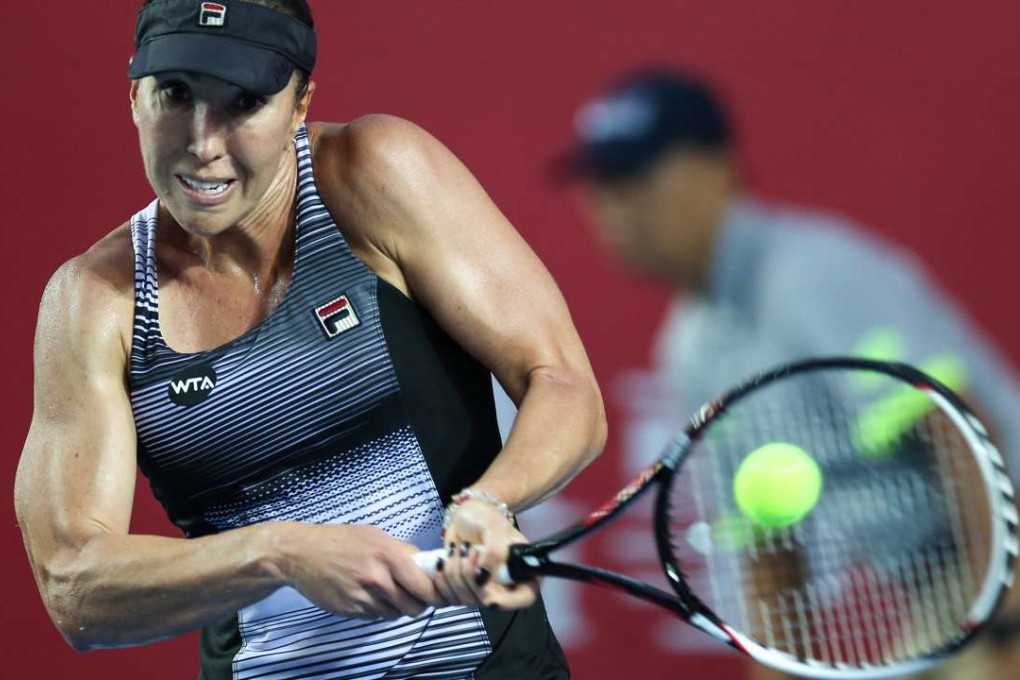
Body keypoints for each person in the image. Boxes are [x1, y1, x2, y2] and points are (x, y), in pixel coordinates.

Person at [14, 1, 607, 678]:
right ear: (133, 96)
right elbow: (73, 586)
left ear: (300, 105)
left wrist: (486, 501)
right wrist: (278, 553)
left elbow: (563, 386)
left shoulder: (374, 175)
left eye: (244, 102)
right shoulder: (94, 301)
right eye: (175, 95)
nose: (203, 143)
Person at [561, 68, 1020, 679]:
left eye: (635, 179)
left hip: (1002, 551)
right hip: (957, 584)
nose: (615, 209)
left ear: (715, 171)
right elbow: (768, 552)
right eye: (601, 186)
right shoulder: (688, 350)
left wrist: (1005, 611)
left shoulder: (806, 275)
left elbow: (959, 430)